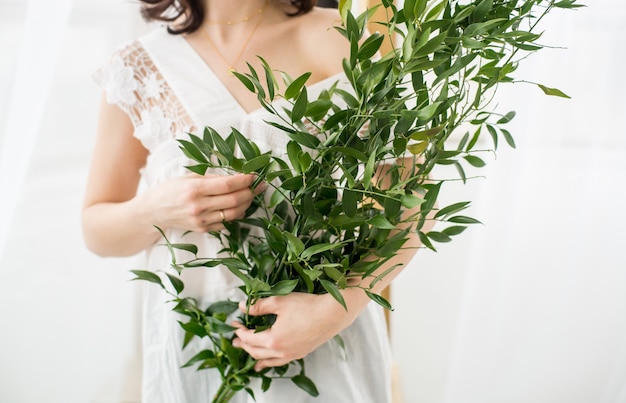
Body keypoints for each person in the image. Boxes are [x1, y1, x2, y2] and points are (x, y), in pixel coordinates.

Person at [83, 0, 424, 401]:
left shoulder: (349, 41)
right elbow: (96, 229)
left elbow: (414, 208)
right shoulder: (137, 67)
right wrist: (155, 208)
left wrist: (336, 310)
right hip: (197, 346)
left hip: (326, 345)